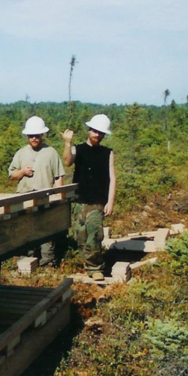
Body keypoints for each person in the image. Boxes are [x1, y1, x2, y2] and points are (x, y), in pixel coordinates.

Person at [61, 114, 116, 280]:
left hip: (98, 201)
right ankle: (88, 264)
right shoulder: (79, 149)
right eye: (94, 131)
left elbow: (113, 178)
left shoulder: (108, 153)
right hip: (80, 200)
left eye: (100, 133)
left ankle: (96, 268)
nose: (97, 135)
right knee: (81, 236)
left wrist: (110, 201)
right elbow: (67, 161)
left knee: (94, 233)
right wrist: (67, 143)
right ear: (89, 130)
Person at [8, 116, 66, 266]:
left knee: (46, 231)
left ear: (42, 135)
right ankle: (27, 262)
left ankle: (47, 262)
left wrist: (57, 198)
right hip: (24, 197)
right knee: (25, 231)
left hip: (45, 197)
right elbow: (12, 175)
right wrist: (22, 172)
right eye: (31, 135)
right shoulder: (20, 153)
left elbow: (58, 176)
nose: (34, 138)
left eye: (37, 135)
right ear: (27, 136)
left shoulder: (51, 152)